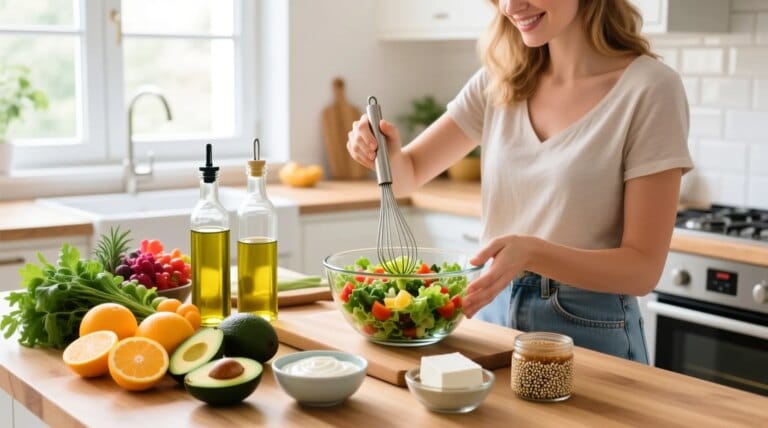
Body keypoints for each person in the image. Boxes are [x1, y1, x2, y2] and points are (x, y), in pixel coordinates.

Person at [346, 0, 693, 363]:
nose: (511, 6)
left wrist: (532, 253)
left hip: (589, 327)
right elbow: (408, 175)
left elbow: (642, 270)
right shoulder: (500, 81)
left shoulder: (649, 88)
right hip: (491, 315)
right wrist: (381, 151)